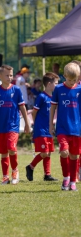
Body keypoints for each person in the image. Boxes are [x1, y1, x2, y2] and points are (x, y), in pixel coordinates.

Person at [0, 65, 30, 185]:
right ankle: (5, 176)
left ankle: (15, 171)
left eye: (11, 75)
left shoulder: (16, 90)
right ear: (0, 76)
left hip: (13, 126)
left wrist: (27, 123)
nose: (9, 77)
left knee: (11, 147)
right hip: (0, 126)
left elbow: (22, 107)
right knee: (4, 152)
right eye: (7, 75)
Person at [49, 62, 81, 191]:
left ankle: (73, 181)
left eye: (75, 80)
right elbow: (53, 107)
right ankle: (66, 177)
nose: (72, 82)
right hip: (62, 127)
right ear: (64, 76)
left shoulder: (79, 89)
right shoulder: (58, 89)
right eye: (69, 79)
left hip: (77, 129)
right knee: (64, 152)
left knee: (74, 156)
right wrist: (51, 124)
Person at [26, 72, 59, 182]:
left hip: (49, 128)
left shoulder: (53, 97)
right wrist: (36, 125)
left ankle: (47, 175)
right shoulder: (42, 96)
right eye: (56, 83)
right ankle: (30, 167)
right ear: (49, 84)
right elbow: (34, 112)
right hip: (40, 129)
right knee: (44, 152)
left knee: (48, 152)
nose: (57, 85)